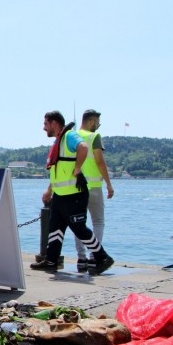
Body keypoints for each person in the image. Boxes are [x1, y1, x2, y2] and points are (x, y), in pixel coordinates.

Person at [30, 110, 114, 275]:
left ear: (54, 123)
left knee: (79, 228)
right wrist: (49, 191)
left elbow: (83, 147)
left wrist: (77, 169)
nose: (43, 128)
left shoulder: (69, 136)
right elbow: (58, 170)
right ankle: (51, 260)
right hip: (61, 195)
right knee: (55, 228)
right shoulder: (58, 142)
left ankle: (103, 257)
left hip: (74, 194)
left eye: (45, 124)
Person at [73, 109, 115, 271]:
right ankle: (94, 257)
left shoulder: (73, 136)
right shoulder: (94, 137)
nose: (98, 125)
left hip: (77, 187)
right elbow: (100, 162)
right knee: (98, 221)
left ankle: (81, 258)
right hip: (94, 187)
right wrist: (109, 184)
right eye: (97, 122)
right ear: (91, 121)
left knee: (78, 223)